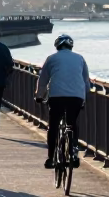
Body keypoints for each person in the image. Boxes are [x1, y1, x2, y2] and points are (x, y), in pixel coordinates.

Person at [35, 34, 90, 170]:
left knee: (53, 125)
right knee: (72, 123)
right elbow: (86, 83)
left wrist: (39, 96)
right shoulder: (80, 58)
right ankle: (74, 152)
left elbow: (43, 80)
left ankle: (50, 158)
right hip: (76, 97)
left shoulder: (51, 59)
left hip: (56, 97)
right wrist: (83, 98)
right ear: (71, 46)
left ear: (57, 46)